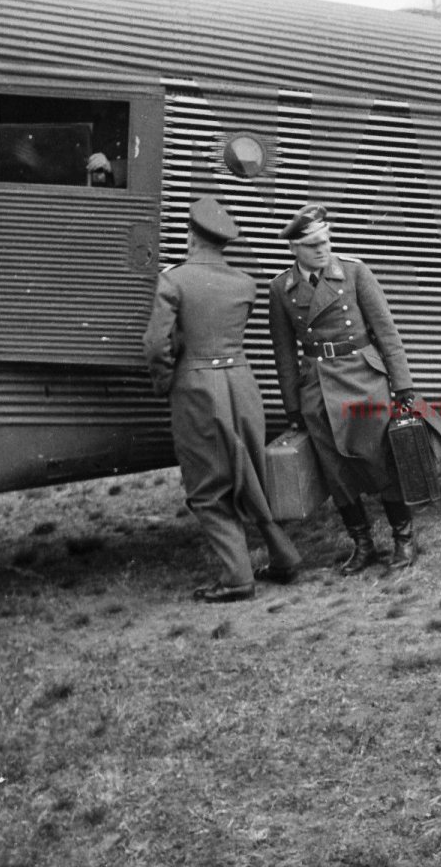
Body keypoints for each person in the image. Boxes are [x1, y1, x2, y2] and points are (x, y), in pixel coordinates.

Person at [268, 204, 441, 575]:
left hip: (364, 380)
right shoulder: (281, 288)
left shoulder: (354, 272)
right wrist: (292, 406)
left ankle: (403, 538)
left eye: (326, 241)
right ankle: (363, 544)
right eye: (313, 245)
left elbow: (386, 331)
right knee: (336, 471)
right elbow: (284, 354)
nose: (323, 249)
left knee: (381, 460)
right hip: (318, 390)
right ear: (294, 248)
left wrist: (403, 385)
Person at [143, 196, 302, 602]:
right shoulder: (244, 283)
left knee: (207, 486)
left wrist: (165, 383)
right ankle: (284, 557)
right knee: (249, 474)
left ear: (191, 236)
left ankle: (237, 578)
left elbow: (156, 345)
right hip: (242, 385)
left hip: (197, 389)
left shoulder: (174, 281)